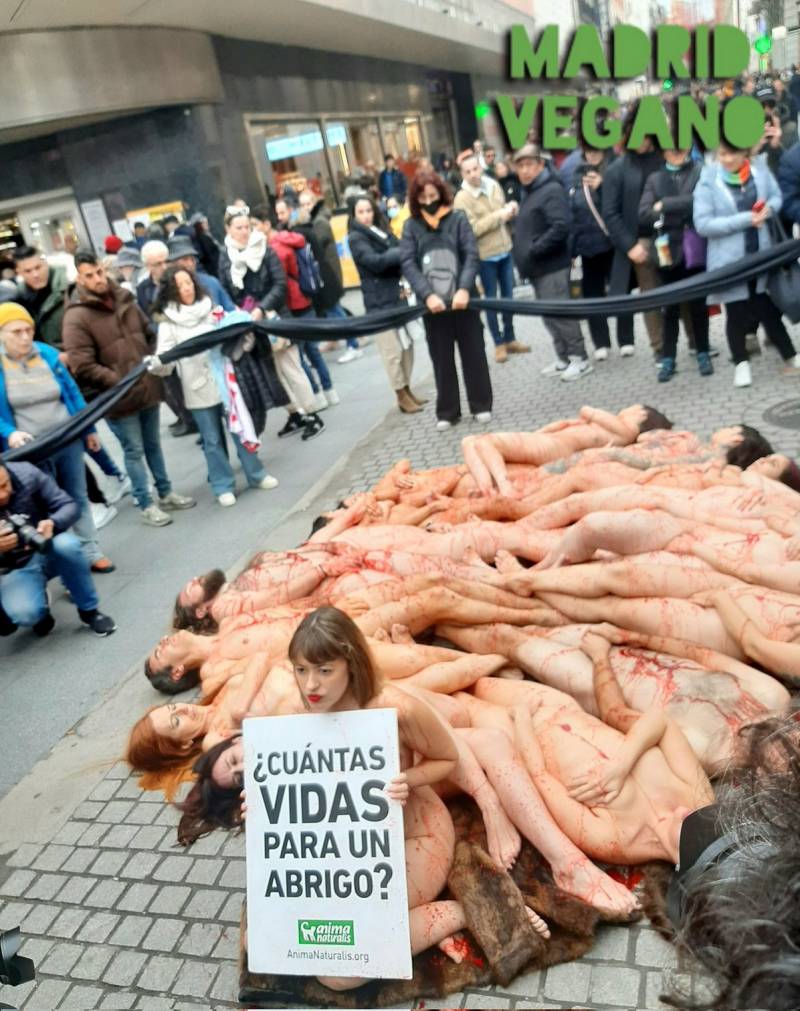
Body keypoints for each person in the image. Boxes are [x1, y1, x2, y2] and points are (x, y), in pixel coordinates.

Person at [62, 251, 196, 527]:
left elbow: (149, 333)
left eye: (100, 272)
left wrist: (152, 361)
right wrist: (117, 380)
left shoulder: (124, 297)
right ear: (80, 278)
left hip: (145, 385)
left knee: (153, 445)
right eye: (90, 275)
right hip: (118, 397)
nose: (98, 279)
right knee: (133, 450)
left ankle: (165, 492)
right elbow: (81, 363)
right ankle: (145, 503)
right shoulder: (76, 316)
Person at [151, 266, 279, 507]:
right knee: (211, 440)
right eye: (179, 285)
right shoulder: (169, 322)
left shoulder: (210, 307)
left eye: (188, 282)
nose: (186, 288)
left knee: (241, 427)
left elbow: (230, 331)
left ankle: (256, 474)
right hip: (196, 386)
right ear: (171, 290)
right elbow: (166, 359)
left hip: (225, 379)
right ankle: (222, 485)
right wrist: (158, 364)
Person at [0, 303, 114, 572]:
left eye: (28, 330)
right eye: (16, 332)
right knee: (46, 505)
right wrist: (10, 433)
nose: (25, 337)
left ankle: (91, 551)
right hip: (30, 452)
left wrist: (88, 429)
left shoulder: (47, 354)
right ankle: (64, 561)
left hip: (66, 439)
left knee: (78, 496)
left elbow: (72, 393)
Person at [693, 138, 800, 388]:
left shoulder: (759, 171)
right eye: (723, 154)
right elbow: (703, 224)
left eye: (733, 153)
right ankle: (741, 364)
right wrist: (746, 219)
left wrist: (767, 209)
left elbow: (777, 197)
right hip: (730, 261)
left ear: (745, 153)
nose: (728, 159)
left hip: (761, 256)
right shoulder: (708, 180)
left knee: (768, 308)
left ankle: (790, 355)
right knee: (736, 312)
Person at [218, 206, 324, 441]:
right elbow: (224, 289)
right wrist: (236, 310)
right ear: (228, 230)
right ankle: (295, 413)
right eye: (239, 227)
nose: (244, 231)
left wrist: (261, 308)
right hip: (249, 324)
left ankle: (313, 414)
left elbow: (280, 284)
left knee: (292, 368)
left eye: (247, 226)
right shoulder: (225, 256)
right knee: (272, 372)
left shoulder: (265, 249)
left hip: (275, 318)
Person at [399, 169, 493, 431]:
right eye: (423, 197)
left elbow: (471, 254)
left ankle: (481, 404)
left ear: (441, 193)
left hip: (465, 301)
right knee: (441, 359)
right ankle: (448, 411)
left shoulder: (458, 218)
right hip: (433, 307)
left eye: (433, 195)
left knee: (474, 353)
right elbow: (408, 263)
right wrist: (427, 295)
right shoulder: (411, 226)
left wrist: (464, 289)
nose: (429, 201)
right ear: (415, 199)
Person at [0, 461, 115, 637]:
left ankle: (89, 611)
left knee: (67, 545)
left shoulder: (25, 473)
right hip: (16, 565)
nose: (2, 495)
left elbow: (68, 505)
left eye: (4, 485)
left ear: (7, 471)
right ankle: (40, 611)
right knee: (25, 613)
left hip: (47, 545)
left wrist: (53, 523)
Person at [511, 144, 592, 382]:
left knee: (561, 313)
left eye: (529, 165)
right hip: (537, 268)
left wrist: (535, 249)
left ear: (540, 165)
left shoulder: (551, 189)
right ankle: (563, 357)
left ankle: (579, 358)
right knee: (549, 315)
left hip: (552, 266)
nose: (524, 170)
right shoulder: (530, 191)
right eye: (520, 166)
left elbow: (561, 227)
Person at [253, 204, 336, 412]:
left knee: (299, 354)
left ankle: (315, 394)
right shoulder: (290, 238)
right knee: (312, 351)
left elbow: (279, 279)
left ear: (266, 224)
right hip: (303, 298)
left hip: (290, 304)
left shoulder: (273, 249)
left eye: (254, 225)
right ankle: (329, 390)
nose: (252, 230)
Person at [639, 147, 711, 382]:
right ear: (663, 152)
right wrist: (679, 207)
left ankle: (703, 352)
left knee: (699, 306)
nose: (677, 152)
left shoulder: (699, 171)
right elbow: (644, 213)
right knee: (669, 309)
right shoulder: (655, 177)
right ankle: (669, 358)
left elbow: (701, 201)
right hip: (667, 252)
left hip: (694, 247)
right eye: (671, 148)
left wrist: (665, 204)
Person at [348, 195, 426, 412]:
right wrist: (400, 253)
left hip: (397, 296)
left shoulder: (382, 230)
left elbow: (399, 252)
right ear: (354, 215)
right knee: (391, 352)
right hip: (378, 302)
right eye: (361, 212)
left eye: (368, 210)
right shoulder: (356, 238)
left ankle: (407, 389)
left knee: (406, 347)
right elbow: (375, 262)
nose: (366, 215)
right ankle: (400, 394)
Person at [602, 101, 664, 360]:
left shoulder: (666, 159)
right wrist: (630, 246)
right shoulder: (617, 168)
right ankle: (660, 348)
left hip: (671, 236)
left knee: (684, 293)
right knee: (650, 298)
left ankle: (697, 342)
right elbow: (610, 213)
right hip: (641, 244)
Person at [453, 151, 529, 363]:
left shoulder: (493, 185)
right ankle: (498, 343)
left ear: (481, 167)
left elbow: (503, 211)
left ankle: (510, 337)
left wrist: (510, 209)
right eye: (467, 171)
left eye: (475, 169)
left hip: (505, 249)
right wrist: (498, 216)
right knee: (491, 301)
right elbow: (471, 229)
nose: (473, 174)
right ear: (462, 174)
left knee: (509, 298)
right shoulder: (461, 198)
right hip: (485, 256)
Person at [568, 145, 629, 360]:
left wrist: (602, 187)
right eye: (588, 150)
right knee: (592, 296)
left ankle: (626, 339)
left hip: (611, 243)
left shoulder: (615, 169)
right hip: (587, 246)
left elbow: (620, 207)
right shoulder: (576, 175)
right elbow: (572, 213)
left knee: (620, 292)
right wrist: (572, 249)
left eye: (596, 150)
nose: (592, 154)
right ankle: (601, 343)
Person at [287, 194, 360, 364]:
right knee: (334, 312)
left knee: (336, 313)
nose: (306, 206)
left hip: (324, 278)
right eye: (303, 204)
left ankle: (353, 344)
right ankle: (346, 341)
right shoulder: (310, 226)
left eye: (308, 203)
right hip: (325, 277)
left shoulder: (314, 226)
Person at [137, 239, 197, 438]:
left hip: (184, 335)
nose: (163, 267)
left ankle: (197, 420)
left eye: (166, 261)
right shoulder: (144, 288)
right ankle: (187, 418)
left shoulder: (178, 279)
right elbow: (145, 314)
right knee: (171, 382)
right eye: (157, 264)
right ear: (148, 266)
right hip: (161, 339)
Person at [12, 245, 71, 350]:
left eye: (38, 267)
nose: (35, 274)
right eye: (28, 271)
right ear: (19, 272)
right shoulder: (19, 298)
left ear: (45, 263)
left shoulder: (69, 287)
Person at [164, 236, 235, 313]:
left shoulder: (211, 282)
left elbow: (231, 310)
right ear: (172, 263)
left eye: (192, 259)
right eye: (185, 259)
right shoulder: (165, 290)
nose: (190, 263)